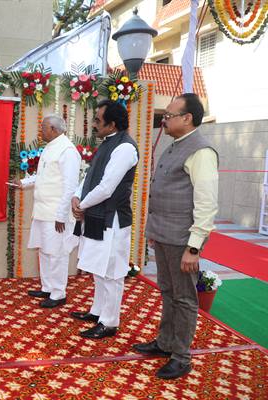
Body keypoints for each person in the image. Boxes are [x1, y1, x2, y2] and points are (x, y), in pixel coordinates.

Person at [133, 93, 218, 380]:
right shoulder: (175, 145)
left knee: (184, 298)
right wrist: (155, 232)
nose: (164, 120)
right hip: (165, 235)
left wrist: (193, 247)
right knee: (168, 292)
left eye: (169, 115)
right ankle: (165, 343)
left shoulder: (201, 151)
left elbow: (206, 203)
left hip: (183, 240)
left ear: (187, 118)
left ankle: (181, 357)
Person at [70, 100, 138, 339]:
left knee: (112, 271)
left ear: (112, 124)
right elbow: (89, 178)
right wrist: (77, 198)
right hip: (96, 214)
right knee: (99, 269)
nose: (94, 125)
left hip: (113, 219)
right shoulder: (107, 143)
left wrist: (82, 206)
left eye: (98, 120)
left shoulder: (125, 148)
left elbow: (107, 187)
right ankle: (98, 311)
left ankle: (109, 322)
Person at [15, 114, 80, 308]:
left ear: (53, 129)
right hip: (42, 211)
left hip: (56, 214)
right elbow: (43, 176)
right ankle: (47, 287)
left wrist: (61, 215)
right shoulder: (50, 148)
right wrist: (23, 182)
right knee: (44, 250)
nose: (40, 131)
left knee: (57, 253)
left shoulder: (67, 150)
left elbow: (70, 186)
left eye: (43, 127)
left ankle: (58, 293)